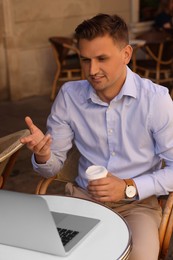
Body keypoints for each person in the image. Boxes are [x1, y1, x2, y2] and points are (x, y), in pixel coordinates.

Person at [21, 13, 173, 260]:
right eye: (85, 59)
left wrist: (129, 188)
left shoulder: (156, 100)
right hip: (83, 200)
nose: (92, 70)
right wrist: (44, 155)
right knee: (42, 252)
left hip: (138, 206)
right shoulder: (70, 96)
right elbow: (51, 168)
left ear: (126, 54)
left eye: (102, 58)